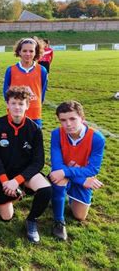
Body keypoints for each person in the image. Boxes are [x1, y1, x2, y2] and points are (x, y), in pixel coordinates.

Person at [0, 86, 52, 243]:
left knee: (46, 189)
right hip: (4, 175)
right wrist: (5, 181)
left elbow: (38, 161)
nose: (17, 107)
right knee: (6, 217)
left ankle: (31, 220)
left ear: (27, 105)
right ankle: (15, 193)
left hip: (24, 174)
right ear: (8, 104)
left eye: (21, 103)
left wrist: (17, 181)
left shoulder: (34, 129)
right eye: (13, 103)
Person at [49, 101, 105, 241]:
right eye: (63, 120)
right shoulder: (56, 134)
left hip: (80, 175)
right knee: (59, 178)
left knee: (80, 216)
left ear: (82, 118)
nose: (68, 124)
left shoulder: (97, 138)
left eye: (72, 119)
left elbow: (93, 169)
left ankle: (66, 195)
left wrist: (67, 171)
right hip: (79, 177)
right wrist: (81, 179)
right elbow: (57, 167)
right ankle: (59, 221)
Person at [3, 37, 47, 128]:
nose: (28, 54)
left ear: (36, 52)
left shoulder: (42, 70)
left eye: (31, 51)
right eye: (24, 51)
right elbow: (6, 92)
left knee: (34, 140)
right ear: (19, 52)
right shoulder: (11, 70)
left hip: (35, 112)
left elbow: (42, 92)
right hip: (16, 112)